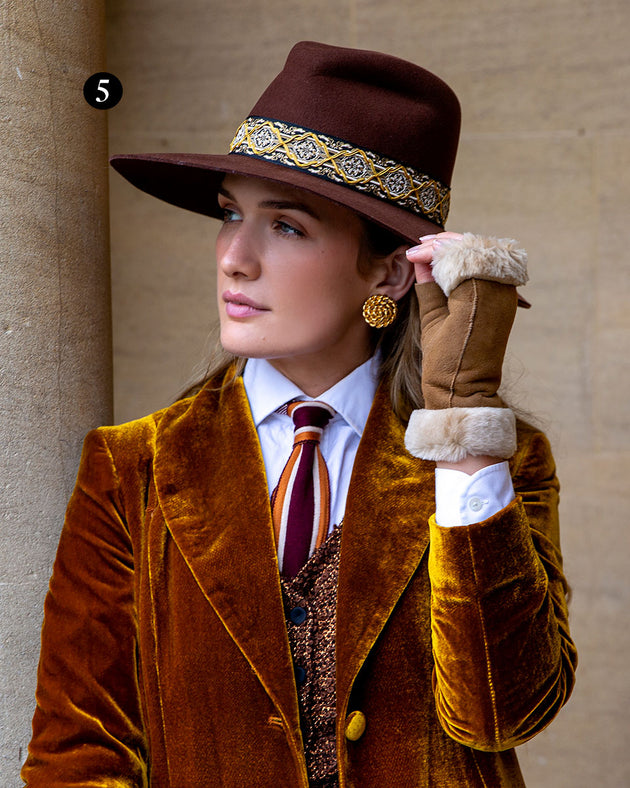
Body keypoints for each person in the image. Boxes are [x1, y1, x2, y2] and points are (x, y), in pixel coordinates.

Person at [21, 41, 577, 787]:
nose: (232, 257)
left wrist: (462, 424)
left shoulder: (501, 463)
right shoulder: (132, 470)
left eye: (285, 226)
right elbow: (76, 757)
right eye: (228, 215)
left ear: (386, 270)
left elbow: (505, 714)